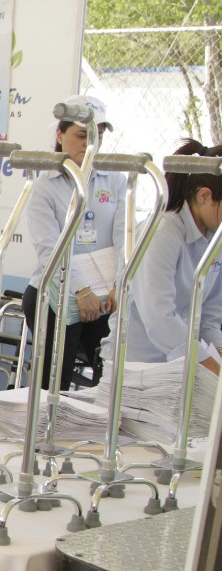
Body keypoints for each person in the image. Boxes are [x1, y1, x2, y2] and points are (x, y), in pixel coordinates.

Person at [22, 94, 127, 390]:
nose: (89, 144)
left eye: (98, 136)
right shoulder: (44, 186)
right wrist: (79, 289)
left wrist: (120, 283)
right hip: (55, 292)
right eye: (82, 136)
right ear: (60, 134)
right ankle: (42, 430)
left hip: (104, 293)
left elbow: (122, 237)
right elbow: (49, 247)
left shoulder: (116, 180)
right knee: (54, 382)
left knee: (111, 374)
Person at [102, 139, 222, 370]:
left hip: (181, 364)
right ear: (204, 196)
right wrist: (210, 366)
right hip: (137, 366)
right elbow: (159, 317)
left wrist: (218, 354)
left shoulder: (215, 237)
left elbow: (209, 317)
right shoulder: (161, 232)